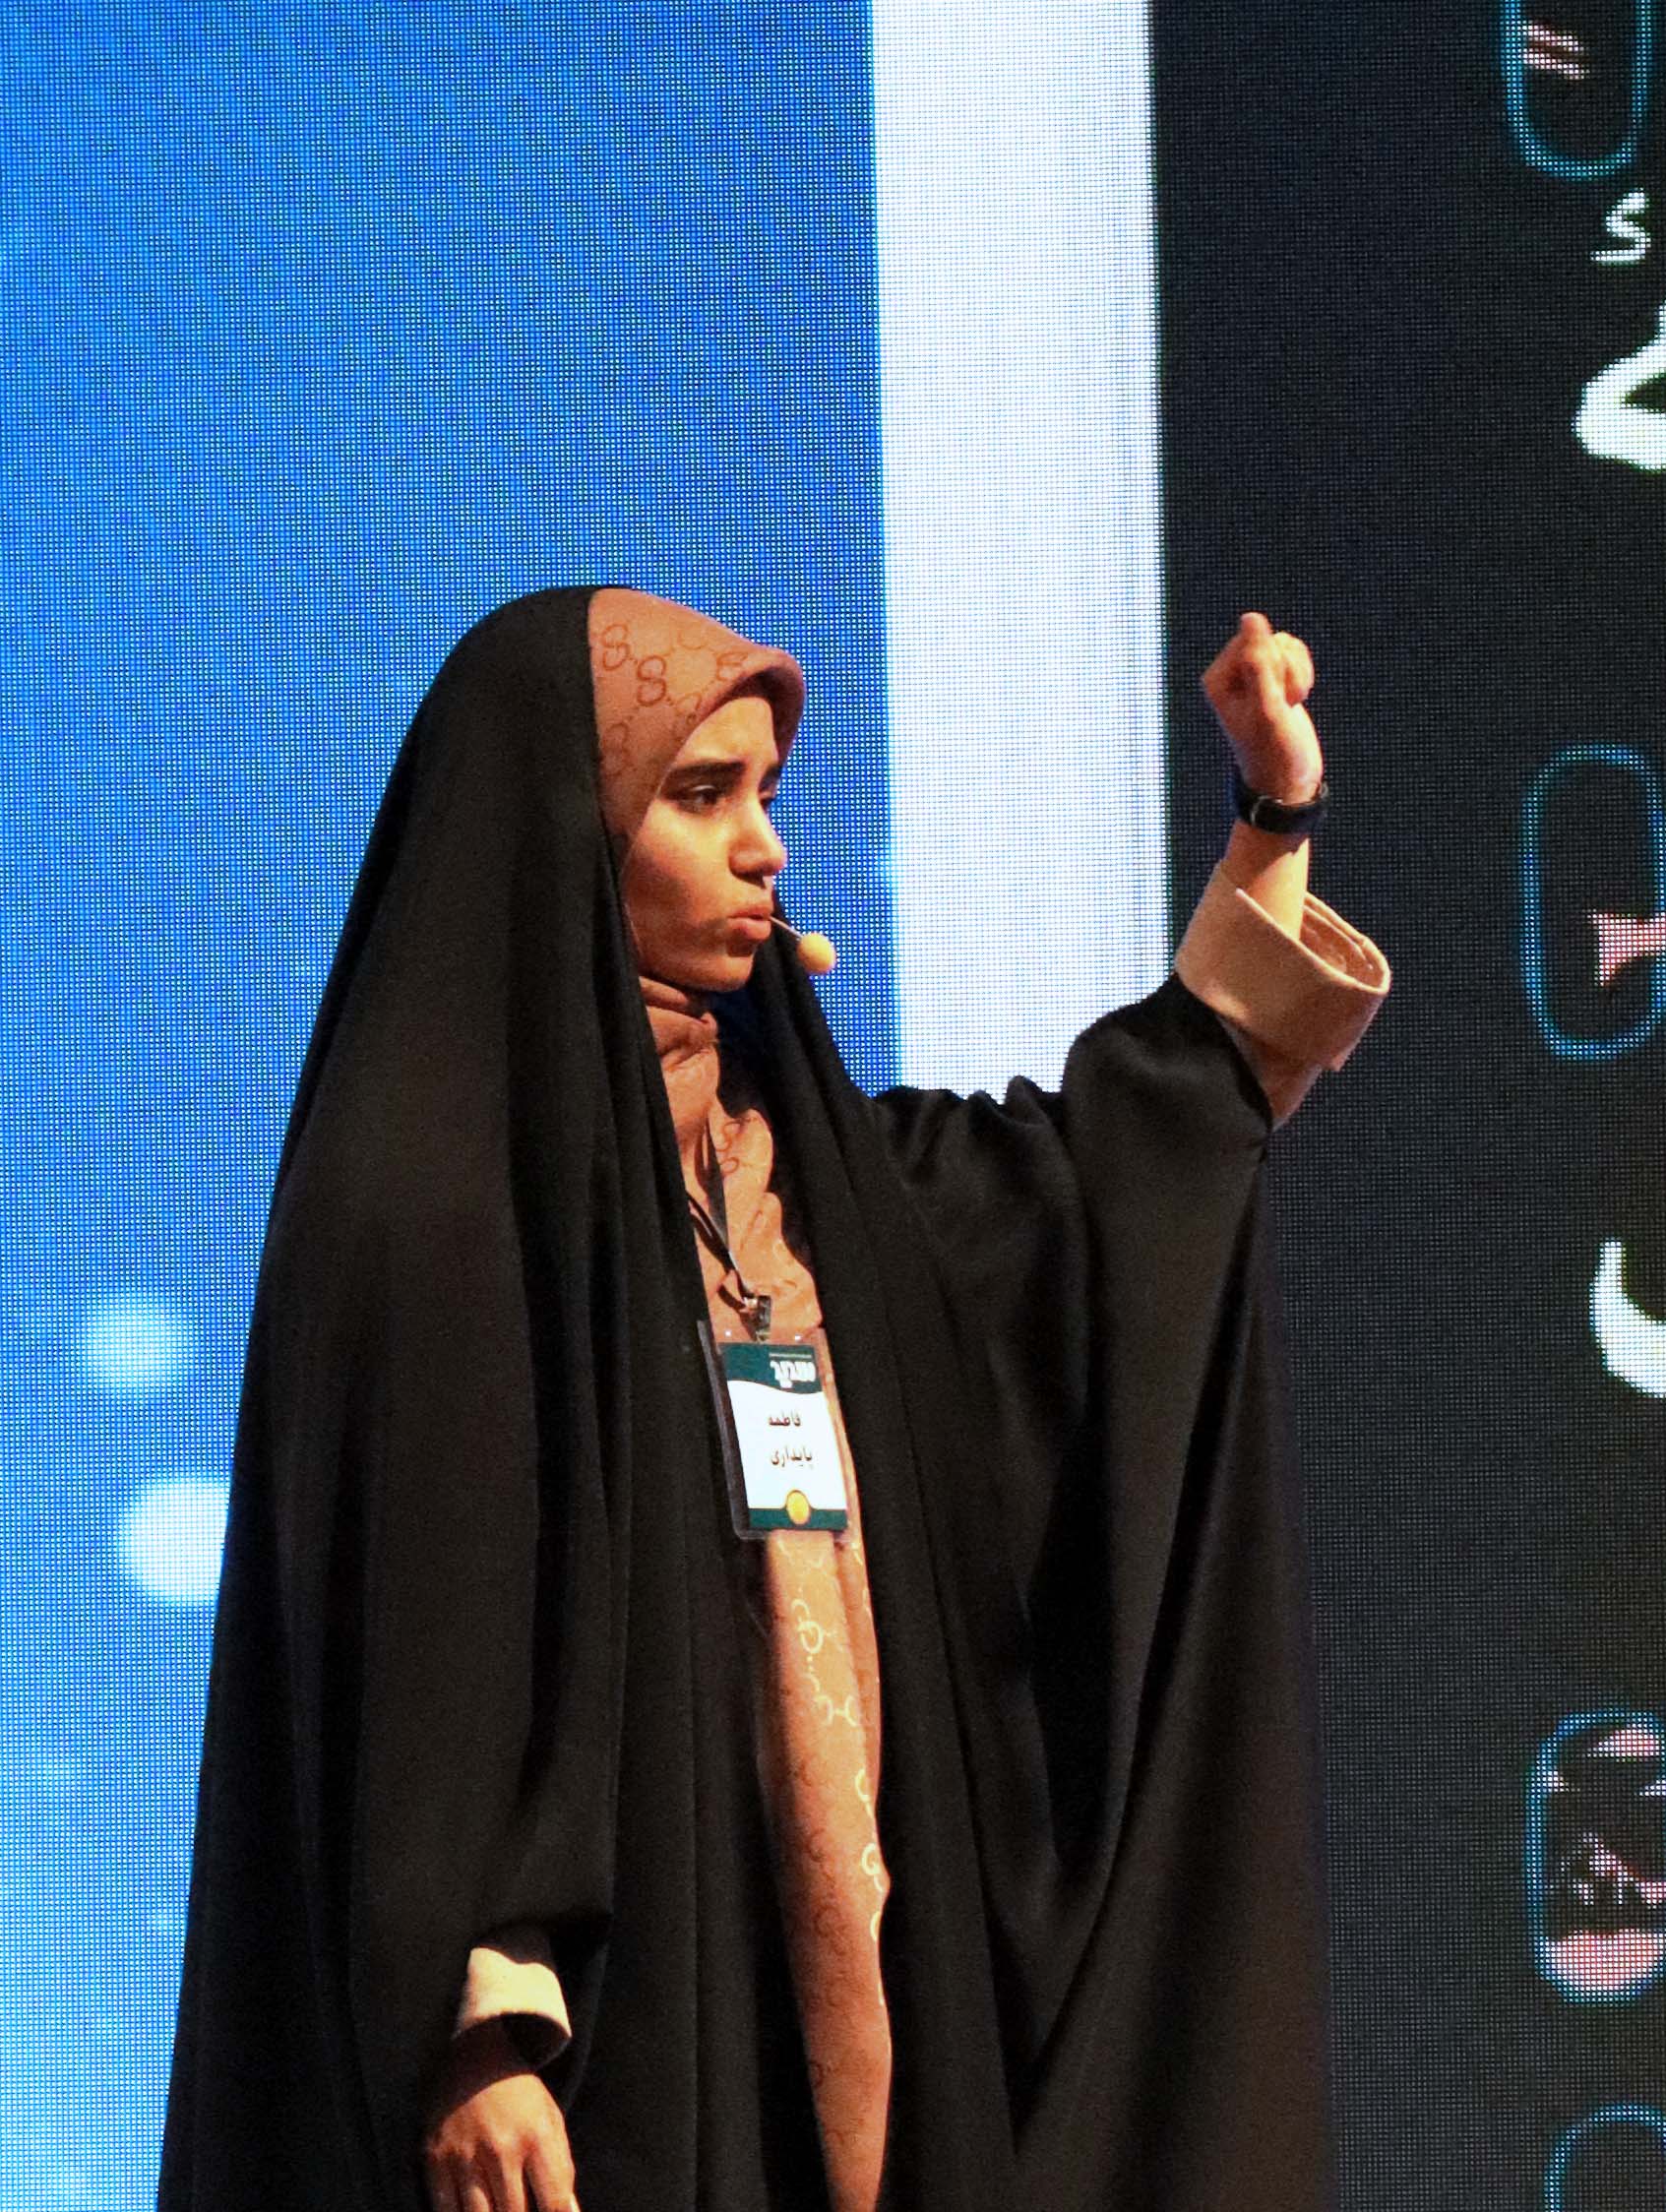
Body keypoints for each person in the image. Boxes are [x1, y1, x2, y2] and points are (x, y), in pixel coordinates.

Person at [159, 585, 1385, 2212]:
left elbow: (1113, 1178)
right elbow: (406, 1644)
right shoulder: (437, 1202)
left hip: (851, 1998)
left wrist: (1271, 819)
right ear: (567, 826)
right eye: (701, 795)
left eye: (768, 794)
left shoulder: (810, 1181)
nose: (766, 848)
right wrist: (479, 2025)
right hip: (606, 2042)